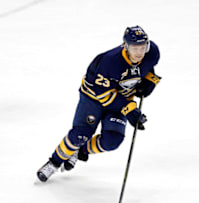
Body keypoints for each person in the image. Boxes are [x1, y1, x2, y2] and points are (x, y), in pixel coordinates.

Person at [37, 25, 161, 182]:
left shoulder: (152, 53)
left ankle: (80, 150)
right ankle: (54, 162)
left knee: (112, 140)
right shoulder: (109, 61)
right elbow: (102, 93)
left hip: (121, 100)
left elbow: (147, 68)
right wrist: (129, 109)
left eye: (143, 48)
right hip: (93, 98)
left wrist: (151, 80)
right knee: (80, 134)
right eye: (135, 48)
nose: (139, 53)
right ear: (125, 45)